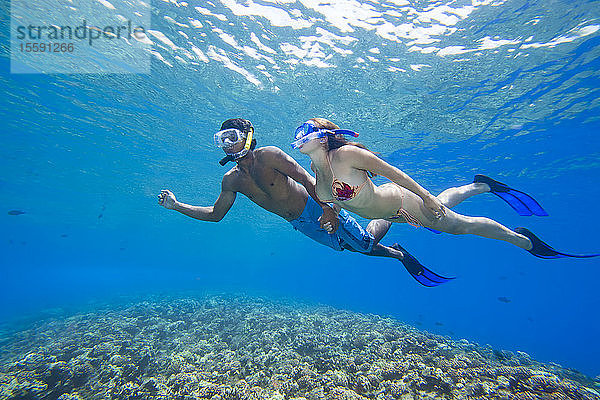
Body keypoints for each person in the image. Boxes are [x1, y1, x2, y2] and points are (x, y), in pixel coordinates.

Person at [157, 118, 452, 287]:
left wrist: (328, 208)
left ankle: (394, 210)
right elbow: (215, 214)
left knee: (361, 244)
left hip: (315, 207)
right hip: (299, 223)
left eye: (232, 137)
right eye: (221, 139)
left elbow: (309, 179)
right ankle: (397, 250)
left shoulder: (270, 155)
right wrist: (177, 205)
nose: (227, 144)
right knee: (347, 247)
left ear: (248, 138)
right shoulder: (231, 181)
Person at [292, 118, 599, 259]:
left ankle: (524, 241)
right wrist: (330, 214)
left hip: (404, 202)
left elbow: (394, 174)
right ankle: (481, 185)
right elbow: (335, 201)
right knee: (443, 205)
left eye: (305, 130)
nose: (299, 136)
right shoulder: (316, 172)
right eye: (298, 132)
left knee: (457, 226)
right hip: (393, 215)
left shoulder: (347, 155)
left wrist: (424, 198)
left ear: (322, 136)